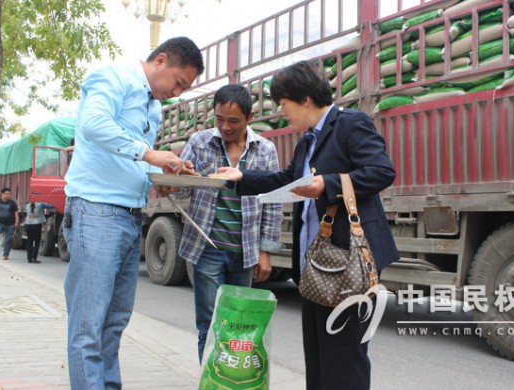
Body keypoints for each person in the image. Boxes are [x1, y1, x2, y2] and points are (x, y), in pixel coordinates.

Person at [217, 60, 400, 390]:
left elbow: (381, 170)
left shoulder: (350, 124)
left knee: (345, 359)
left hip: (348, 264)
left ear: (303, 99)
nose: (281, 112)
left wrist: (327, 184)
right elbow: (288, 179)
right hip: (315, 265)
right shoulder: (307, 141)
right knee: (317, 355)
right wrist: (242, 177)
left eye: (283, 104)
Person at [62, 36, 204, 389]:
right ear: (161, 60)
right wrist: (150, 154)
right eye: (179, 82)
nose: (177, 92)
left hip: (128, 216)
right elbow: (93, 125)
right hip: (96, 211)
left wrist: (160, 179)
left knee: (114, 323)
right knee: (88, 326)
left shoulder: (153, 108)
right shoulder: (114, 78)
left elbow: (130, 159)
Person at [172, 84, 283, 363]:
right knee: (209, 324)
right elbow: (182, 189)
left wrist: (265, 250)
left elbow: (272, 202)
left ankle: (232, 377)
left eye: (233, 121)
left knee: (238, 324)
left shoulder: (265, 150)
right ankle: (210, 380)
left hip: (245, 252)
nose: (225, 126)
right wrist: (175, 179)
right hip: (207, 248)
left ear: (250, 116)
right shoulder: (199, 142)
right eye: (219, 118)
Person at [0, 187, 19, 260]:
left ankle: (5, 254)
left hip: (11, 225)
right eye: (6, 194)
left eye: (9, 194)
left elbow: (16, 213)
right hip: (0, 223)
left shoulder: (12, 203)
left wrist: (16, 222)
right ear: (2, 194)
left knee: (8, 240)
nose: (8, 195)